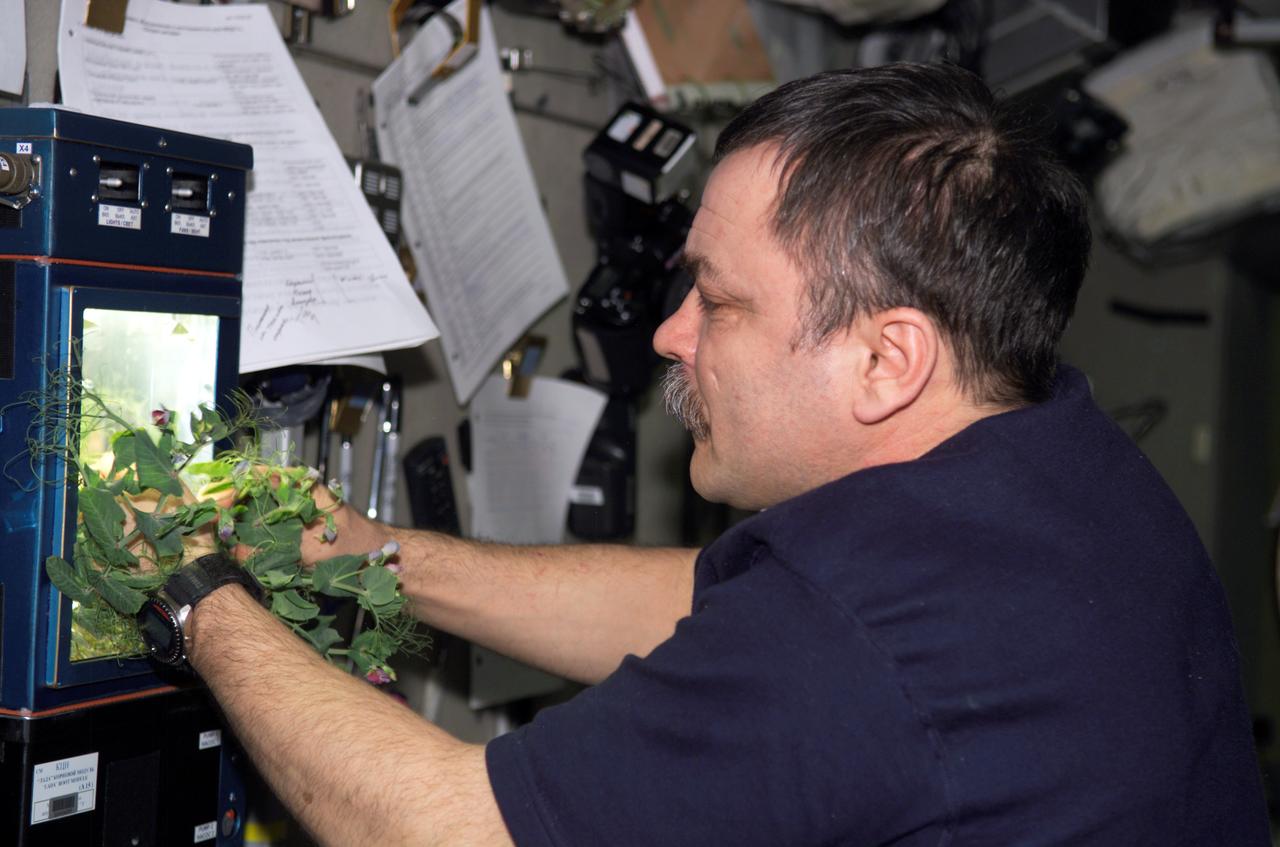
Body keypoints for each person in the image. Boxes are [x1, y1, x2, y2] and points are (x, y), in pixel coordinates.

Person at [178, 62, 1269, 845]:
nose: (670, 333)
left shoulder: (863, 636)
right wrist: (372, 554)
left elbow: (440, 828)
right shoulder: (1054, 455)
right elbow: (707, 606)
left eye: (719, 300)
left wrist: (197, 594)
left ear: (886, 361)